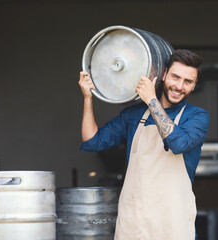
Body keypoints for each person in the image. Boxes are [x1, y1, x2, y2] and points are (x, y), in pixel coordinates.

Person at [79, 49, 209, 240]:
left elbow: (178, 144)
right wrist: (88, 97)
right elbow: (92, 141)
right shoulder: (134, 115)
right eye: (175, 77)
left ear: (194, 85)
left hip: (173, 222)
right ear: (164, 75)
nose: (179, 86)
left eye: (187, 81)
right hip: (135, 221)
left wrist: (151, 100)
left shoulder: (197, 116)